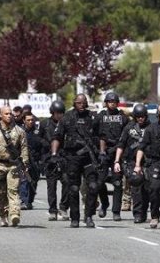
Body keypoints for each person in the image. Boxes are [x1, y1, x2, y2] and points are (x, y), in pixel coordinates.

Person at [51, 94, 99, 228]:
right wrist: (54, 154)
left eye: (84, 103)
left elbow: (101, 136)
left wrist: (101, 152)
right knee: (73, 188)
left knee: (93, 186)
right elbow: (57, 136)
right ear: (74, 103)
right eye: (79, 103)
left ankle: (89, 216)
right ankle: (75, 217)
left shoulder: (93, 118)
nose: (82, 105)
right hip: (72, 157)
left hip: (89, 158)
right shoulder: (67, 118)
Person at [0, 106, 29, 227]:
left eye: (10, 114)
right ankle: (3, 216)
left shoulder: (19, 131)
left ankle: (14, 214)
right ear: (1, 115)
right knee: (0, 192)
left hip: (13, 165)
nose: (9, 116)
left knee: (13, 190)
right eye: (6, 114)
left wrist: (25, 164)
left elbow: (24, 148)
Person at [114, 104, 151, 223]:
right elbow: (121, 145)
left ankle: (144, 212)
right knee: (136, 186)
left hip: (148, 162)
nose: (141, 119)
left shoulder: (151, 127)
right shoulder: (129, 128)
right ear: (135, 116)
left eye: (142, 116)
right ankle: (138, 214)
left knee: (147, 189)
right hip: (131, 161)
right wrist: (116, 161)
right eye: (138, 116)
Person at [96, 92, 129, 221]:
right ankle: (104, 204)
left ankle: (116, 211)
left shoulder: (123, 117)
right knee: (100, 182)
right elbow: (94, 134)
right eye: (110, 101)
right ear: (106, 103)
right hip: (104, 152)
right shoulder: (100, 117)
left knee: (117, 183)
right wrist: (99, 151)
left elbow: (128, 135)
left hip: (118, 152)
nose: (112, 103)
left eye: (114, 101)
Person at [38, 100, 69, 221]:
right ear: (52, 112)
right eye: (57, 113)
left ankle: (64, 207)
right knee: (51, 186)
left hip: (63, 158)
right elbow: (38, 139)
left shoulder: (66, 123)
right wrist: (47, 145)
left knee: (66, 182)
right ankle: (52, 210)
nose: (59, 115)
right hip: (49, 159)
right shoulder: (44, 124)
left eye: (61, 113)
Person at [19, 111, 41, 210]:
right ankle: (24, 200)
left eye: (32, 120)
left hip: (35, 161)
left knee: (34, 181)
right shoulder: (20, 132)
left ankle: (30, 201)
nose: (31, 122)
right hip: (23, 160)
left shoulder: (37, 132)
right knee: (24, 181)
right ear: (24, 120)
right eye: (28, 120)